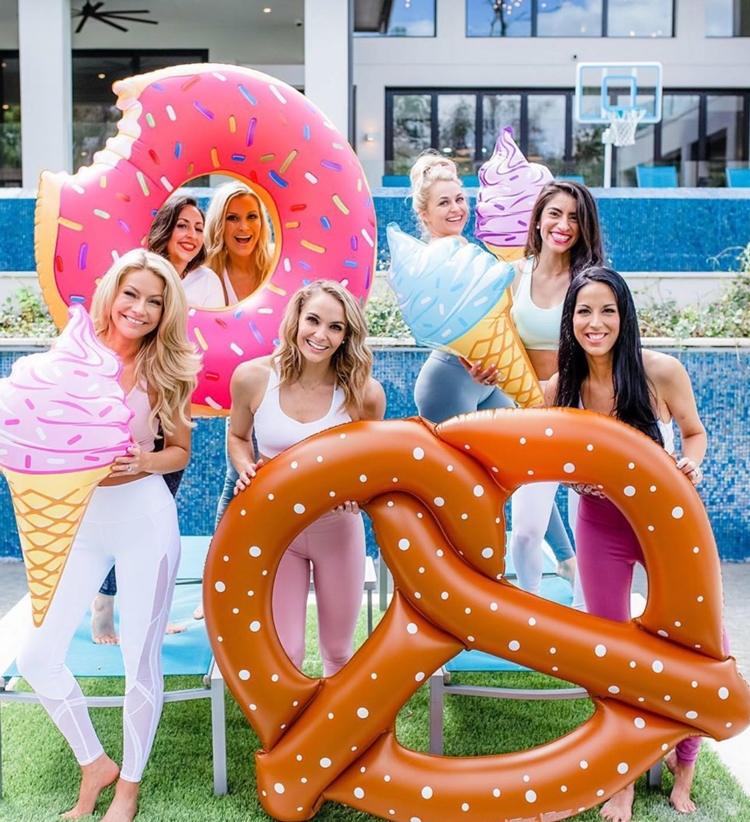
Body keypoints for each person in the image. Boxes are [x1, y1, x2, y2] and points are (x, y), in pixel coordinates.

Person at [17, 249, 201, 822]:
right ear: (111, 293)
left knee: (138, 661)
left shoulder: (166, 366)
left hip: (146, 522)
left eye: (155, 301)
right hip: (82, 524)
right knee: (37, 657)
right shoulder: (73, 351)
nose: (141, 309)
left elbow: (180, 450)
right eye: (132, 295)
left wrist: (144, 463)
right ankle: (95, 763)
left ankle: (127, 789)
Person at [547, 266, 708, 822]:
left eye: (607, 310)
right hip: (601, 526)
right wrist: (570, 479)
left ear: (625, 316)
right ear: (570, 321)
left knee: (695, 644)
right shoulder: (560, 388)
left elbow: (694, 432)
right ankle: (623, 778)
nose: (596, 323)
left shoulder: (660, 372)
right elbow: (543, 455)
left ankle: (685, 762)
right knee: (609, 653)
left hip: (668, 523)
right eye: (584, 311)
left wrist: (691, 465)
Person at [408, 150, 576, 582]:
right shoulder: (433, 258)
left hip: (485, 378)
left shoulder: (466, 248)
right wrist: (470, 357)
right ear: (424, 214)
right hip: (451, 380)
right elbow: (432, 326)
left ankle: (563, 558)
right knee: (460, 483)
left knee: (523, 464)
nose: (456, 208)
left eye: (460, 199)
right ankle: (462, 571)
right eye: (444, 202)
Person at [228, 280, 386, 675]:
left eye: (335, 327)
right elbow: (237, 436)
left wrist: (360, 491)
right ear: (295, 319)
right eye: (313, 320)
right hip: (276, 529)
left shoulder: (364, 394)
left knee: (337, 650)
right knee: (288, 653)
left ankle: (339, 736)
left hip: (337, 530)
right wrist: (245, 466)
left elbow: (371, 465)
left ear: (347, 336)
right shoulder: (252, 377)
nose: (320, 335)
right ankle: (288, 737)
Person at [91, 195, 223, 643]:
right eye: (182, 224)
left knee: (154, 503)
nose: (191, 234)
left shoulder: (206, 280)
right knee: (106, 516)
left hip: (168, 383)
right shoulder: (139, 273)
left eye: (198, 226)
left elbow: (230, 327)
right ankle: (104, 603)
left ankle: (145, 606)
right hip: (126, 393)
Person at [507, 179, 605, 599]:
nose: (563, 225)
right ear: (539, 219)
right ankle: (528, 617)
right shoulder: (515, 273)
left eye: (574, 217)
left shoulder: (590, 281)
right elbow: (502, 342)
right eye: (555, 214)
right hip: (530, 414)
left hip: (581, 412)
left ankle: (588, 616)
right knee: (527, 531)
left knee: (588, 523)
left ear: (585, 227)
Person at [203, 180, 274, 305]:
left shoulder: (278, 263)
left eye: (251, 216)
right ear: (219, 225)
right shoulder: (206, 275)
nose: (244, 227)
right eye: (233, 218)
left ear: (261, 221)